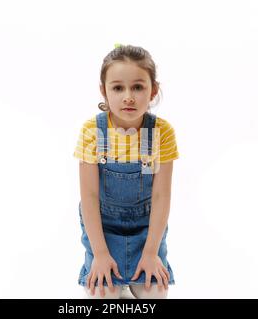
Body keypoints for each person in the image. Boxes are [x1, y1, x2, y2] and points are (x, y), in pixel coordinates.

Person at [74, 44, 179, 299]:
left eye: (138, 87)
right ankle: (116, 284)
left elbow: (161, 197)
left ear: (153, 90)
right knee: (104, 296)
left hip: (147, 231)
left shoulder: (161, 132)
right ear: (104, 90)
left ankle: (134, 280)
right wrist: (99, 254)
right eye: (118, 87)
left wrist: (151, 253)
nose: (128, 96)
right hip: (103, 230)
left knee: (154, 294)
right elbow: (88, 198)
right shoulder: (92, 131)